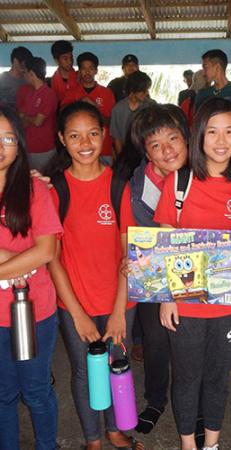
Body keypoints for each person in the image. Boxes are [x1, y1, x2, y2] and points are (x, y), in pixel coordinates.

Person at [127, 103, 231, 440]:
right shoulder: (179, 182)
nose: (221, 140)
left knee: (218, 379)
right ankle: (188, 444)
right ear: (199, 136)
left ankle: (213, 443)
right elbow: (163, 241)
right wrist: (166, 298)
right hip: (185, 304)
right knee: (188, 378)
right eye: (213, 132)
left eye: (230, 131)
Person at [45, 101, 144, 450]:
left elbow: (128, 254)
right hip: (75, 303)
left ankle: (115, 429)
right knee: (85, 371)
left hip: (119, 300)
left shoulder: (118, 186)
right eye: (74, 135)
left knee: (119, 365)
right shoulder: (55, 189)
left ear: (104, 135)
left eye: (92, 134)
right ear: (61, 139)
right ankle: (92, 439)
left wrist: (119, 310)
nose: (85, 143)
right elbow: (52, 259)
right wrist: (77, 314)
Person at [0, 105, 62, 450]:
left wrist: (13, 260)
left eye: (7, 138)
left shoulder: (35, 190)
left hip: (34, 312)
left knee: (36, 391)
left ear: (19, 145)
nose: (0, 146)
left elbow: (46, 251)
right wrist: (18, 262)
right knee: (3, 394)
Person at [61, 52, 116, 160]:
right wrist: (77, 105)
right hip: (79, 149)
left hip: (103, 149)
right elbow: (63, 119)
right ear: (79, 71)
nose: (87, 72)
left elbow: (110, 123)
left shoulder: (106, 93)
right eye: (83, 68)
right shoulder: (71, 93)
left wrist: (94, 107)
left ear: (96, 70)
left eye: (91, 68)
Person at [16, 57, 58, 170]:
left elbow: (38, 121)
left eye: (25, 72)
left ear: (31, 73)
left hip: (44, 149)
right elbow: (21, 119)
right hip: (28, 148)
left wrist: (27, 118)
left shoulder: (48, 94)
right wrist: (30, 118)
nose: (24, 76)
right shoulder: (28, 93)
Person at [110, 71, 153, 155]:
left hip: (147, 155)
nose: (147, 93)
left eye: (147, 89)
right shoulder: (118, 109)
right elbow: (117, 138)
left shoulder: (151, 106)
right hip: (126, 156)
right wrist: (121, 159)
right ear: (133, 89)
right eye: (143, 90)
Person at [50, 40, 79, 105]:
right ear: (56, 61)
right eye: (65, 59)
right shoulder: (51, 82)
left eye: (71, 58)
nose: (70, 62)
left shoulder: (80, 77)